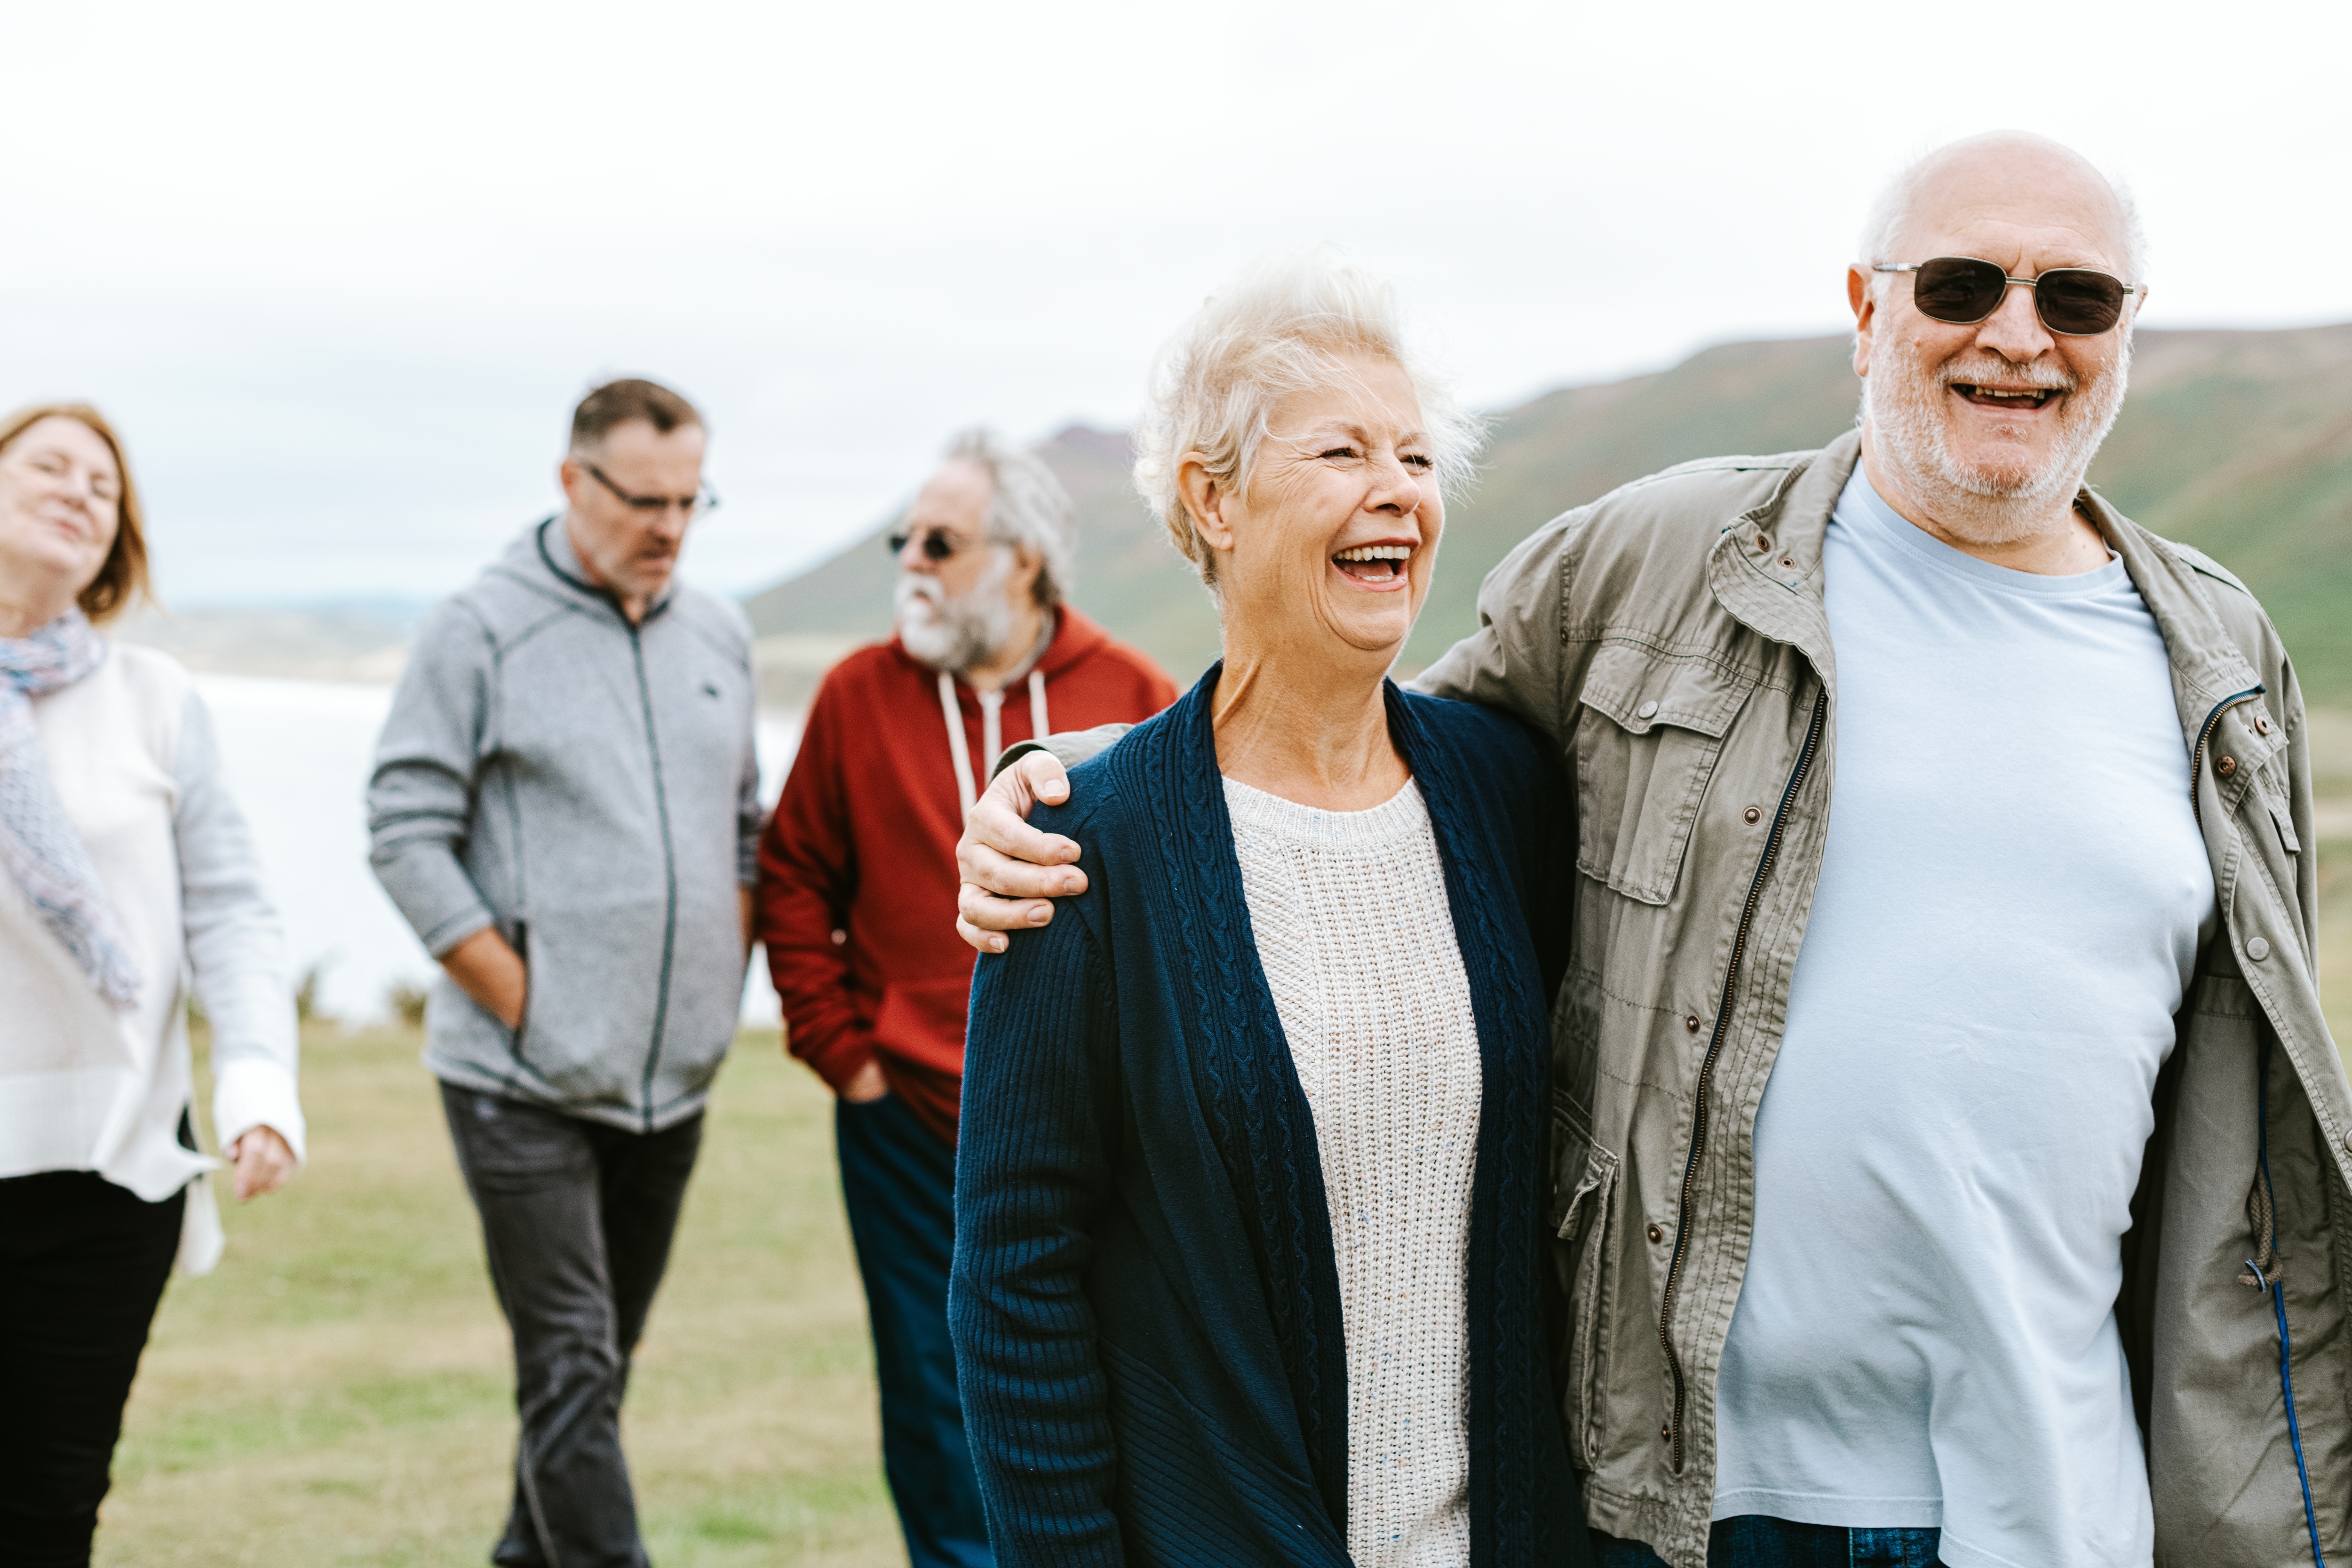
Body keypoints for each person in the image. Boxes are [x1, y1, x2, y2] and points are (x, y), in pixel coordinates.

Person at [954, 134, 2345, 1568]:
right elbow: (1342, 750)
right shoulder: (1661, 562)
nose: (2017, 335)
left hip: (2062, 1500)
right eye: (1961, 282)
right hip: (1690, 1510)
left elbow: (2253, 1131)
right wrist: (1068, 788)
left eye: (2078, 299)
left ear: (2125, 332)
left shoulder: (2220, 657)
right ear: (1869, 312)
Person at [948, 257, 1589, 1567]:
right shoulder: (1083, 844)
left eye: (1416, 458)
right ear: (1214, 497)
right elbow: (1017, 1281)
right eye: (1344, 450)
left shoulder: (1504, 789)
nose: (1398, 493)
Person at [756, 429, 1176, 1567]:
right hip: (903, 1119)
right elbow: (792, 872)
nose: (912, 563)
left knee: (1098, 1368)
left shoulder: (1131, 693)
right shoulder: (855, 694)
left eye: (939, 542)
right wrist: (842, 1050)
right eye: (904, 540)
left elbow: (1186, 896)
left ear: (1024, 560)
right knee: (932, 1393)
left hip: (1089, 1122)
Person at [366, 377, 760, 1568]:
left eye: (692, 501)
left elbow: (742, 823)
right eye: (644, 499)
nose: (669, 528)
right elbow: (403, 823)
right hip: (518, 1079)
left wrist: (714, 980)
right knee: (574, 1362)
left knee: (591, 1374)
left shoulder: (720, 632)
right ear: (571, 480)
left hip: (673, 1081)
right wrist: (523, 996)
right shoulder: (479, 627)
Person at [0, 403, 302, 1568]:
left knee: (45, 1510)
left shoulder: (154, 699)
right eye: (51, 466)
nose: (83, 491)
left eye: (106, 486)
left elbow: (231, 908)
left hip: (105, 1177)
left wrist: (261, 1082)